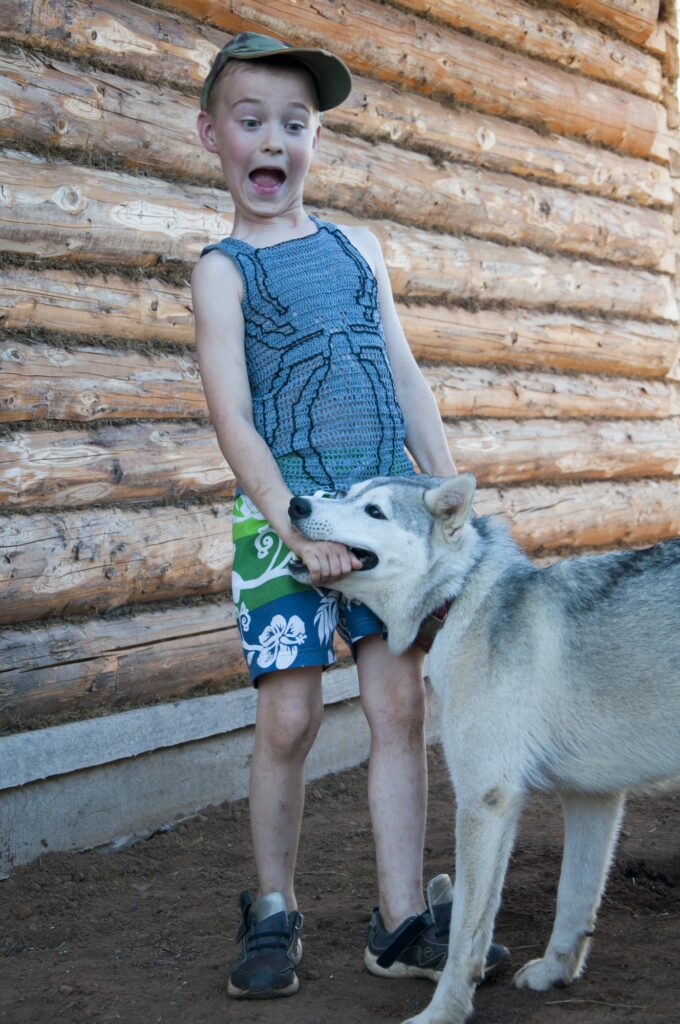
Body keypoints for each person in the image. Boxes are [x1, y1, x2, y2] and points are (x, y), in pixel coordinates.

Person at [192, 31, 509, 1000]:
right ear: (211, 135)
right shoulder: (220, 271)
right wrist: (292, 528)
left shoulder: (356, 247)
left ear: (314, 141)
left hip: (382, 523)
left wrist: (449, 500)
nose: (272, 141)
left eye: (295, 123)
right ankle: (274, 907)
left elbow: (404, 379)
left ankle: (401, 917)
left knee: (397, 707)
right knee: (287, 715)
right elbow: (231, 417)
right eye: (251, 122)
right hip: (282, 522)